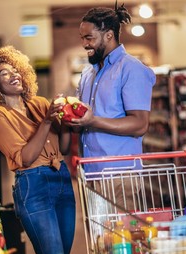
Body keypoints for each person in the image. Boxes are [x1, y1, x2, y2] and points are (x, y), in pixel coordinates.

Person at [0, 45, 76, 254]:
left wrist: (68, 120)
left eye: (14, 70)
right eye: (4, 73)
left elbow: (65, 148)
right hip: (33, 186)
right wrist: (48, 121)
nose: (13, 74)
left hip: (62, 180)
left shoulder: (40, 104)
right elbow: (26, 157)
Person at [67, 3, 156, 210]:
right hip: (90, 173)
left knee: (121, 239)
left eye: (89, 38)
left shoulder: (131, 69)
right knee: (98, 240)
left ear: (108, 35)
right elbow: (83, 119)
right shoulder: (88, 74)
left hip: (120, 176)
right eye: (82, 38)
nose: (84, 44)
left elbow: (140, 124)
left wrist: (93, 121)